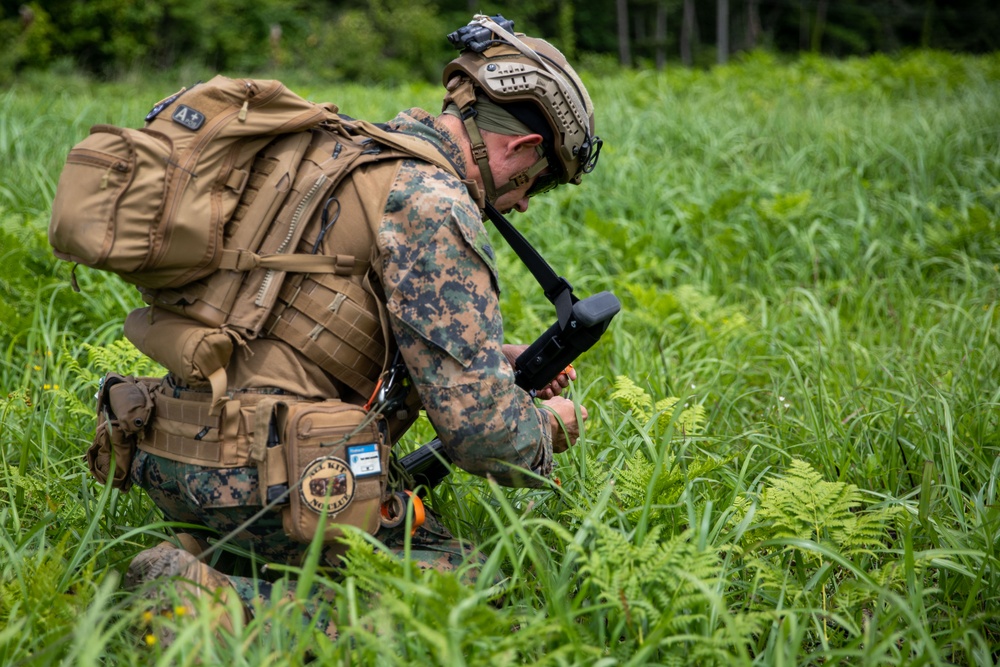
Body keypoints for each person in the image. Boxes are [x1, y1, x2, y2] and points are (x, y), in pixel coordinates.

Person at [124, 14, 602, 638]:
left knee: (411, 528)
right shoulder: (436, 204)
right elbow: (486, 439)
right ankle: (204, 605)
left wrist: (491, 357)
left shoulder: (356, 158)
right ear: (523, 148)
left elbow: (310, 324)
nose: (523, 202)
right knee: (463, 602)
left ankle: (217, 544)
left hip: (168, 448)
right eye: (534, 183)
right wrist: (545, 431)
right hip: (263, 471)